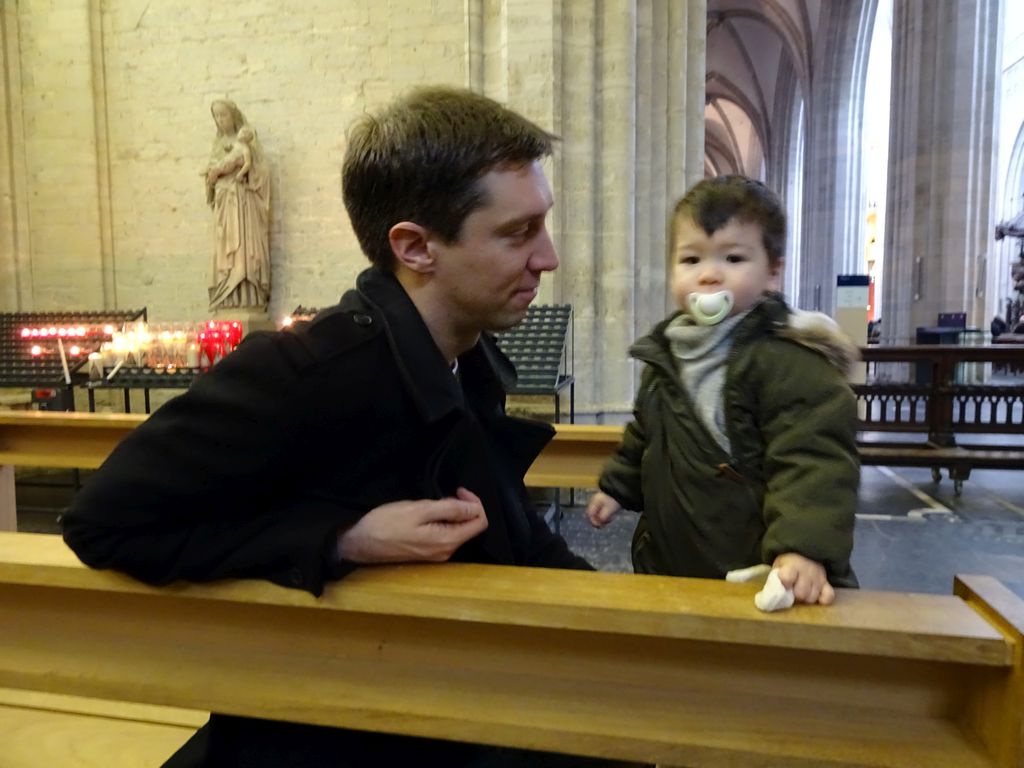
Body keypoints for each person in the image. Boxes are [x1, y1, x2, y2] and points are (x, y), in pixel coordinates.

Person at [63, 86, 641, 768]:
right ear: (416, 246)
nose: (547, 257)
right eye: (518, 232)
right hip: (321, 739)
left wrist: (651, 629)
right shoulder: (306, 372)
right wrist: (341, 538)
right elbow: (103, 523)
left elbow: (518, 535)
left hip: (444, 709)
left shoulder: (467, 357)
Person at [586, 175, 860, 605]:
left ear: (772, 271)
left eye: (733, 258)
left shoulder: (789, 362)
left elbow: (812, 461)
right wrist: (618, 487)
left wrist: (802, 548)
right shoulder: (666, 356)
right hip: (672, 563)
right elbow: (646, 433)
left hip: (760, 571)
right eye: (691, 259)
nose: (709, 275)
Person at [204, 99, 270, 311]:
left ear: (233, 115)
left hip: (243, 203)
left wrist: (244, 171)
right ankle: (227, 298)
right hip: (224, 202)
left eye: (223, 115)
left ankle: (249, 297)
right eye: (216, 116)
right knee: (225, 250)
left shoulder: (248, 143)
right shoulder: (217, 145)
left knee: (244, 249)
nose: (220, 120)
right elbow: (210, 176)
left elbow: (262, 171)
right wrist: (213, 178)